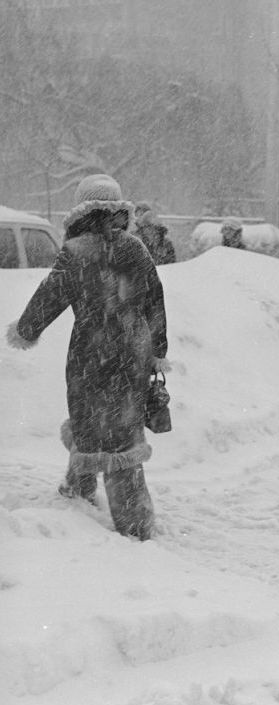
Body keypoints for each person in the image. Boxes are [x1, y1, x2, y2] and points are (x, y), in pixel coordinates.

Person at [6, 174, 169, 540]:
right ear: (118, 210)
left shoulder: (77, 251)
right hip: (133, 351)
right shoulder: (136, 250)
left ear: (81, 211)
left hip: (91, 351)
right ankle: (84, 492)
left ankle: (133, 524)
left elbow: (50, 295)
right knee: (122, 427)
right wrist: (157, 350)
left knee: (90, 416)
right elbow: (155, 302)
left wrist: (27, 329)